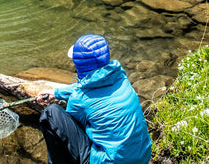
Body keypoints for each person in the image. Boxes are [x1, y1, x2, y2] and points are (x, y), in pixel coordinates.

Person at [35, 34, 152, 163]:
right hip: (143, 156)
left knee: (51, 114)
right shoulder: (121, 77)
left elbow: (73, 129)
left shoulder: (79, 99)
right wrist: (56, 93)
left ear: (79, 65)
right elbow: (92, 86)